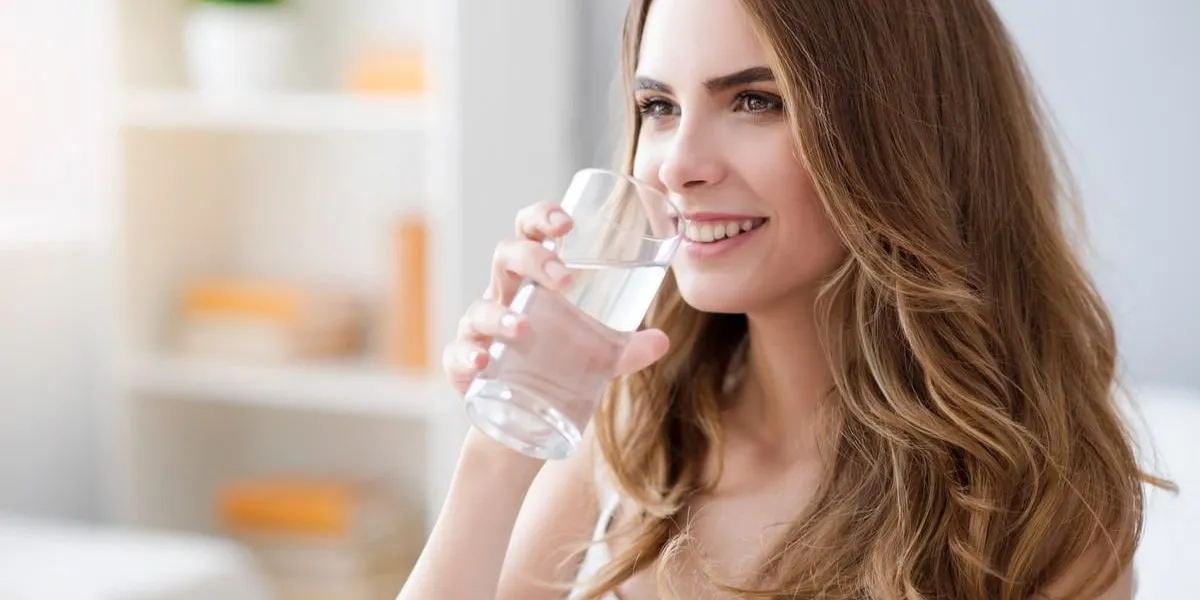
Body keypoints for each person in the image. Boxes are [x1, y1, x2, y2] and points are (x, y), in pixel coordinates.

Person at [398, 0, 1170, 598]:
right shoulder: (628, 438)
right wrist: (504, 442)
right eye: (660, 108)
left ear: (899, 134)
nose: (678, 166)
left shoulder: (1038, 511)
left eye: (756, 101)